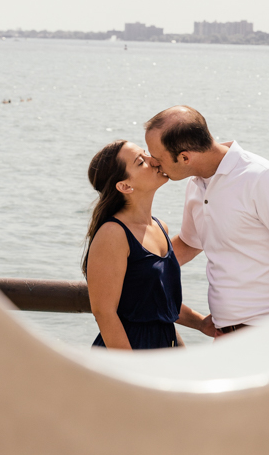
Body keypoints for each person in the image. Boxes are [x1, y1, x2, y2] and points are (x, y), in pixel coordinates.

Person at [145, 107, 269, 335]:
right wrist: (138, 265)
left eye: (157, 158)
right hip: (224, 333)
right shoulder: (196, 184)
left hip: (267, 331)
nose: (153, 163)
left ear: (184, 157)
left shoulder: (261, 177)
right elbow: (190, 244)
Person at [82, 139, 216, 349]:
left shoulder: (159, 227)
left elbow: (156, 300)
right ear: (125, 186)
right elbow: (104, 313)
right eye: (140, 161)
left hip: (164, 349)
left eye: (145, 153)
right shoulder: (113, 233)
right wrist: (131, 372)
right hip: (128, 353)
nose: (153, 160)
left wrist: (200, 323)